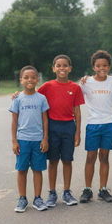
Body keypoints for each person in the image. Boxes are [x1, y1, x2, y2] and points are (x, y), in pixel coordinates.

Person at [38, 54, 85, 207]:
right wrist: (17, 95)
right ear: (53, 68)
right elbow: (32, 96)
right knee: (53, 161)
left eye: (65, 65)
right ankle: (52, 192)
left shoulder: (75, 87)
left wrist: (77, 132)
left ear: (70, 68)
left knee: (67, 160)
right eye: (58, 65)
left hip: (68, 126)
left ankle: (66, 191)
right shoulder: (47, 86)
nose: (62, 68)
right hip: (52, 126)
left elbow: (77, 112)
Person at [10, 65, 49, 212]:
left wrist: (45, 139)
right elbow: (14, 121)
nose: (30, 80)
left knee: (37, 170)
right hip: (23, 140)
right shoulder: (17, 98)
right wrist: (14, 141)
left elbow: (45, 120)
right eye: (26, 77)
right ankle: (22, 198)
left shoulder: (41, 98)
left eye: (33, 77)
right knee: (22, 170)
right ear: (21, 80)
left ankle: (38, 198)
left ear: (37, 79)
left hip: (38, 140)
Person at [79, 50, 112, 203]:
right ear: (93, 67)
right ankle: (87, 189)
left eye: (105, 65)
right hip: (93, 124)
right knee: (90, 157)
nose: (102, 68)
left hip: (109, 123)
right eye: (98, 65)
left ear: (109, 66)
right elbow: (71, 93)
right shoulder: (86, 82)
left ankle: (103, 189)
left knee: (104, 157)